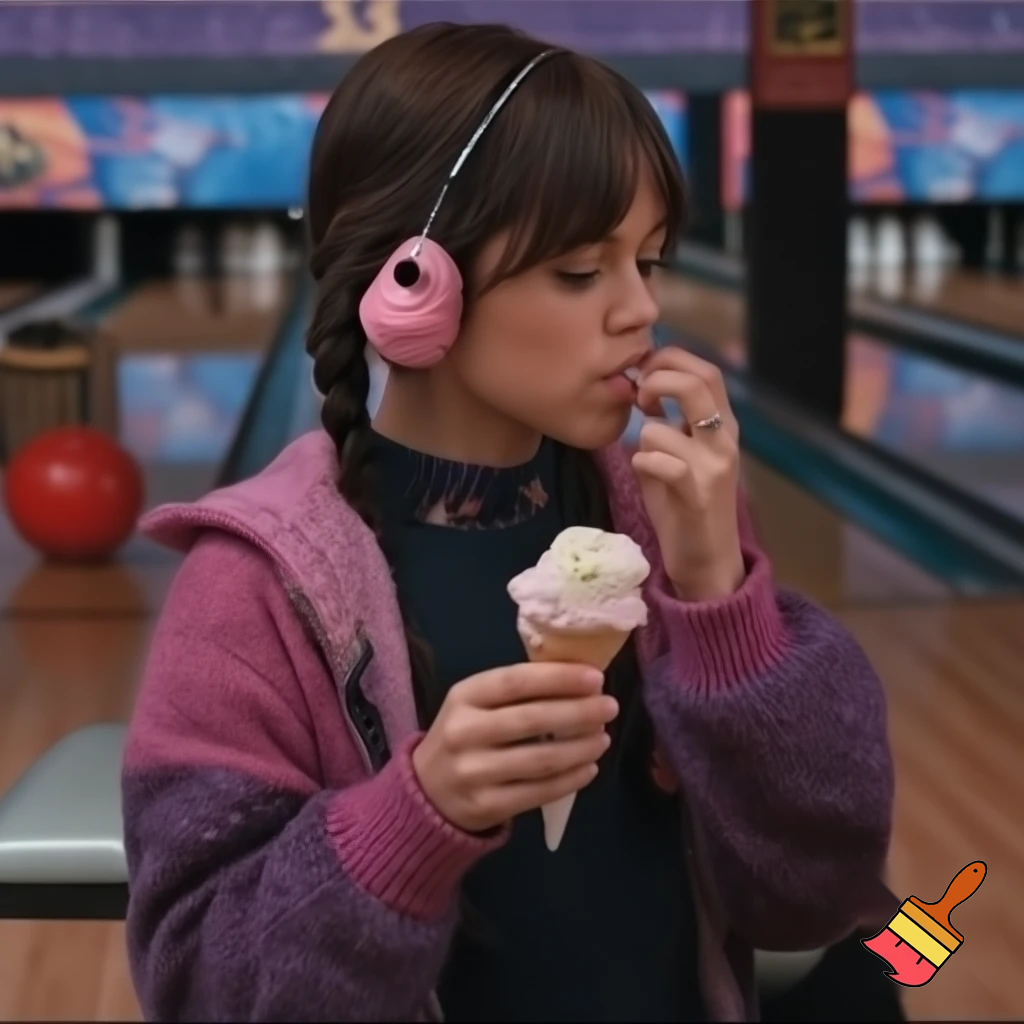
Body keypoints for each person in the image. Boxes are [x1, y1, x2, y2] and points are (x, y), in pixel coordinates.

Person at [122, 21, 898, 1023]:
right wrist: (413, 817)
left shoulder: (665, 525)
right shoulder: (255, 588)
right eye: (580, 271)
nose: (635, 311)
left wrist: (720, 601)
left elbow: (817, 893)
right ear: (414, 283)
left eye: (649, 262)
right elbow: (199, 988)